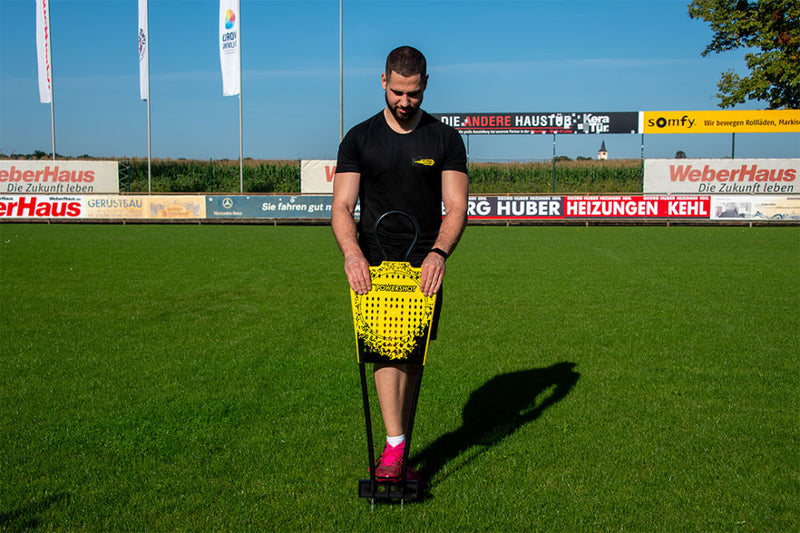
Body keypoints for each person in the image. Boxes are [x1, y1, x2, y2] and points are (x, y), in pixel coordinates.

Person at [331, 46, 469, 481]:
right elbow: (342, 206)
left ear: (425, 85)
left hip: (424, 264)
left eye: (413, 94)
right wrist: (353, 253)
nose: (404, 102)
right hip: (374, 263)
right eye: (396, 92)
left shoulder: (445, 140)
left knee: (412, 356)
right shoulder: (359, 138)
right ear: (383, 82)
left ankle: (399, 445)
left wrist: (438, 252)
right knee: (385, 351)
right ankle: (394, 450)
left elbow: (457, 206)